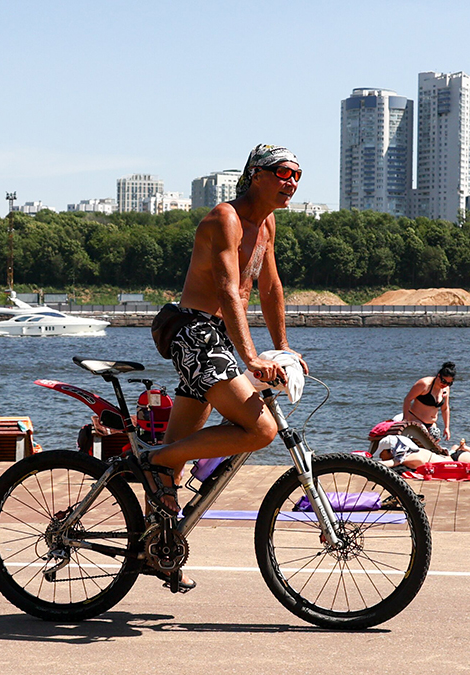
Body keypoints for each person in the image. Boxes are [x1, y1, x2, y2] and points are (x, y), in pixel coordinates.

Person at [144, 144, 308, 592]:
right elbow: (229, 290)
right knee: (261, 430)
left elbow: (270, 289)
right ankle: (153, 458)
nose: (291, 182)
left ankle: (156, 549)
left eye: (297, 175)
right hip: (195, 332)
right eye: (283, 173)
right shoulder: (225, 219)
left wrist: (284, 349)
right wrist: (252, 359)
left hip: (215, 336)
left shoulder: (267, 224)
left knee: (176, 455)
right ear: (256, 174)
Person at [400, 362, 455, 455]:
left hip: (431, 423)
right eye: (443, 381)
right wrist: (405, 418)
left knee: (434, 439)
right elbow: (408, 399)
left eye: (449, 383)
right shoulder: (424, 384)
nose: (444, 384)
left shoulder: (446, 389)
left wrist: (446, 427)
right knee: (424, 441)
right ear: (438, 376)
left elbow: (445, 408)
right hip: (416, 418)